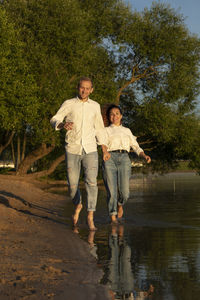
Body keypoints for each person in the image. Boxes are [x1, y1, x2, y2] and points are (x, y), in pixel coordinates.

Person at [50, 77, 108, 230]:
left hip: (90, 149)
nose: (84, 91)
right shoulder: (69, 103)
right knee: (72, 184)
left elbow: (99, 128)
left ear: (92, 90)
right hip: (72, 148)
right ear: (78, 87)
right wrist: (62, 124)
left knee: (91, 182)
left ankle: (90, 216)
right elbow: (54, 118)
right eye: (82, 87)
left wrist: (104, 148)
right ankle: (78, 204)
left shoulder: (95, 106)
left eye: (88, 88)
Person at [102, 104, 151, 224]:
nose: (114, 116)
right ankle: (113, 217)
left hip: (124, 158)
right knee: (111, 191)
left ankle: (120, 204)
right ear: (109, 117)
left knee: (125, 193)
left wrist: (144, 155)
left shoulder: (127, 131)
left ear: (121, 116)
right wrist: (104, 152)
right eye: (112, 114)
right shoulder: (105, 130)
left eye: (117, 114)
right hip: (110, 158)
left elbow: (135, 146)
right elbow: (102, 144)